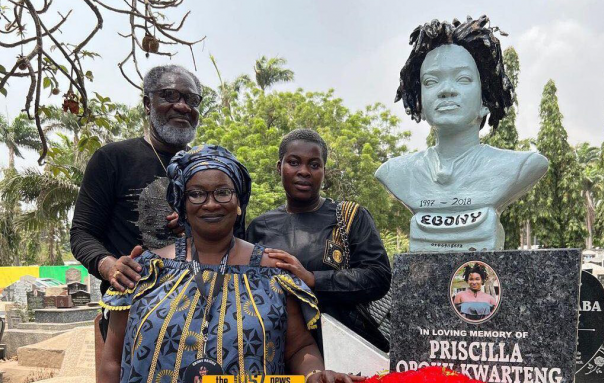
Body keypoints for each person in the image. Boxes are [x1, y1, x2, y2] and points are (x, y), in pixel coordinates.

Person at [98, 145, 363, 383]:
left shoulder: (272, 270)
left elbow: (299, 348)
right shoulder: (144, 270)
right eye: (197, 194)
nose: (211, 204)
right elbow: (112, 361)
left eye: (223, 192)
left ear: (238, 201)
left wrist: (314, 374)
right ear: (182, 203)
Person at [375, 16, 549, 252]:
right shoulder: (396, 173)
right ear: (420, 103)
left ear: (485, 99)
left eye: (463, 79)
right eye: (431, 81)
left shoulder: (518, 167)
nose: (446, 90)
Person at [70, 65, 203, 336]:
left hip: (200, 311)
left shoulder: (208, 169)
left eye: (191, 100)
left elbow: (236, 236)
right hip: (131, 314)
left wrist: (197, 227)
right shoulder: (113, 159)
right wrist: (110, 266)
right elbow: (82, 233)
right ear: (147, 103)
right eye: (169, 95)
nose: (182, 106)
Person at [246, 129, 391, 352]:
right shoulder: (259, 227)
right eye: (294, 162)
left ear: (324, 171)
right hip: (276, 349)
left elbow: (378, 277)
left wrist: (313, 279)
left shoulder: (350, 217)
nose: (304, 171)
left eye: (314, 165)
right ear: (279, 167)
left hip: (341, 349)